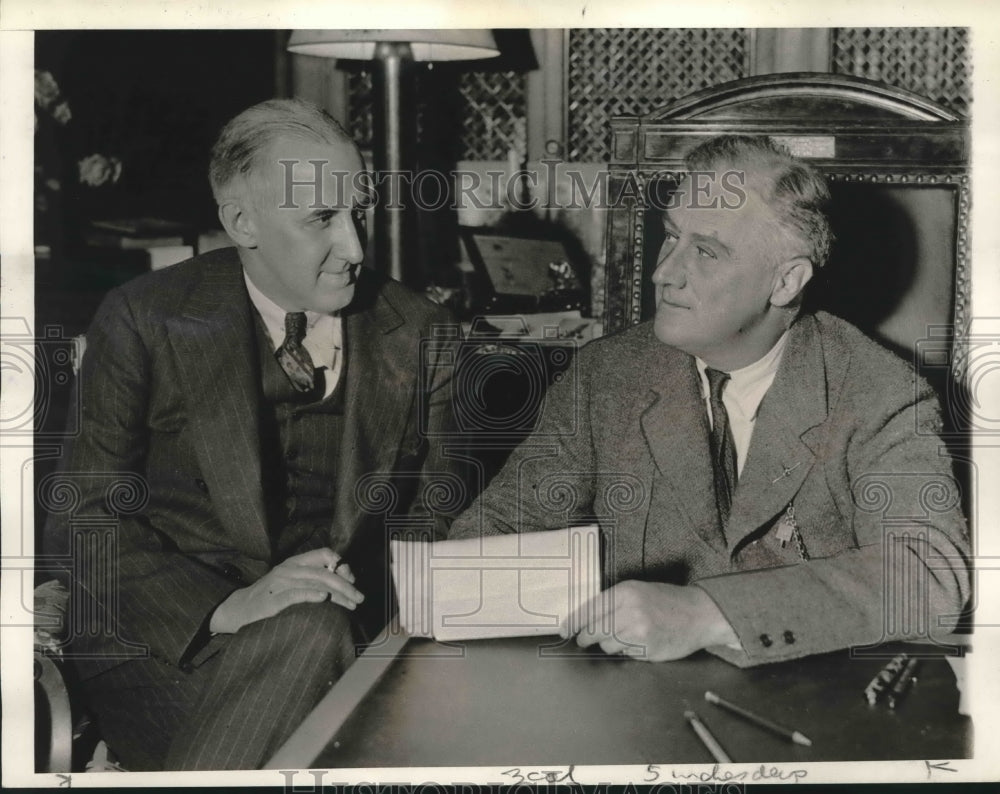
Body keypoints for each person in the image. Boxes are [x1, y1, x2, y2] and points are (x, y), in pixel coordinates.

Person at [43, 98, 469, 770]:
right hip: (170, 646)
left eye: (358, 214)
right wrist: (229, 606)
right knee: (314, 641)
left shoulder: (421, 330)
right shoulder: (144, 318)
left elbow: (437, 517)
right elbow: (83, 521)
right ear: (242, 222)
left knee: (318, 631)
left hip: (347, 637)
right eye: (321, 219)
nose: (355, 248)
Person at [449, 135, 971, 666]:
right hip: (637, 697)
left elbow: (929, 573)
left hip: (811, 696)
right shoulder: (606, 376)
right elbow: (489, 537)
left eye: (705, 251)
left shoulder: (879, 392)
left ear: (786, 281)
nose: (664, 273)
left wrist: (707, 612)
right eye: (671, 237)